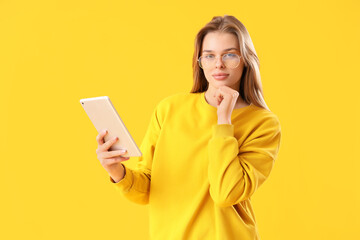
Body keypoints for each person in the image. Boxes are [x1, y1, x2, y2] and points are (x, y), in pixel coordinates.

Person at [96, 15, 281, 240]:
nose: (218, 64)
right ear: (200, 62)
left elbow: (226, 193)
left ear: (245, 60)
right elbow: (148, 190)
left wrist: (224, 121)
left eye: (230, 55)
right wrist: (116, 171)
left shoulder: (263, 124)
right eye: (209, 56)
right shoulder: (169, 109)